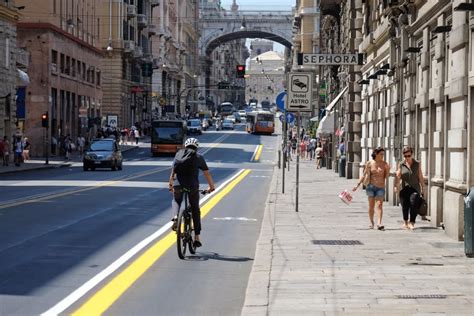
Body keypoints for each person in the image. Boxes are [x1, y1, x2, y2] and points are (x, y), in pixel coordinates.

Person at [168, 138, 215, 248]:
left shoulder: (178, 155)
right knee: (195, 209)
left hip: (178, 185)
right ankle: (197, 237)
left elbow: (173, 171)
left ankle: (175, 216)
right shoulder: (198, 157)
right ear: (196, 147)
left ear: (185, 145)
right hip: (192, 186)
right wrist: (211, 187)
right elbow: (207, 174)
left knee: (176, 199)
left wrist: (170, 184)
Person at [353, 147, 390, 230]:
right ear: (376, 154)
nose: (382, 156)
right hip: (371, 187)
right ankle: (371, 222)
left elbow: (386, 177)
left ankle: (379, 223)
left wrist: (387, 170)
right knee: (371, 206)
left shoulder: (385, 164)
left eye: (383, 154)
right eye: (381, 154)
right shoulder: (369, 163)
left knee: (380, 205)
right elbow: (364, 175)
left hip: (380, 187)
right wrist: (357, 185)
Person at [394, 146, 425, 230]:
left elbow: (420, 176)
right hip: (404, 188)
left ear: (412, 154)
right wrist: (396, 186)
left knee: (413, 203)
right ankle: (405, 222)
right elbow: (398, 176)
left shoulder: (417, 163)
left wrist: (423, 188)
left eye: (408, 155)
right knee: (405, 205)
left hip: (415, 188)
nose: (407, 158)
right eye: (405, 156)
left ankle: (412, 222)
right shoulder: (401, 164)